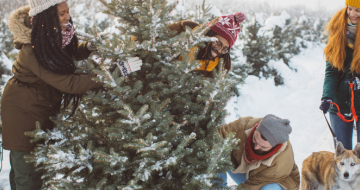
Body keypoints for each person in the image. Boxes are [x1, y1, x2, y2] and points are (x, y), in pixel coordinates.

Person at [2, 0, 142, 189]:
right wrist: (115, 71)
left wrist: (87, 47)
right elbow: (69, 83)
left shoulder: (49, 36)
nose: (67, 17)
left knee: (29, 173)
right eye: (61, 14)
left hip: (38, 108)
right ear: (47, 16)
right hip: (23, 116)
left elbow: (63, 54)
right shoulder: (32, 50)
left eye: (68, 12)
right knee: (27, 175)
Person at [216, 114, 300, 190]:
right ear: (256, 128)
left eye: (263, 146)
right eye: (254, 140)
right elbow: (216, 135)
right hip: (246, 172)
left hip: (271, 183)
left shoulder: (280, 163)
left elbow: (252, 187)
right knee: (214, 153)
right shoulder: (243, 126)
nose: (256, 147)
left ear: (275, 146)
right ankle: (217, 188)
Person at [320, 0, 360, 150]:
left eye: (358, 10)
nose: (352, 14)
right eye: (350, 9)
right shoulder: (338, 31)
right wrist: (327, 97)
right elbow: (332, 71)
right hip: (340, 102)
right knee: (343, 154)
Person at [167, 12, 246, 78]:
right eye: (218, 43)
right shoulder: (185, 28)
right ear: (209, 34)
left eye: (224, 49)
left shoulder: (216, 69)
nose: (219, 51)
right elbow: (159, 35)